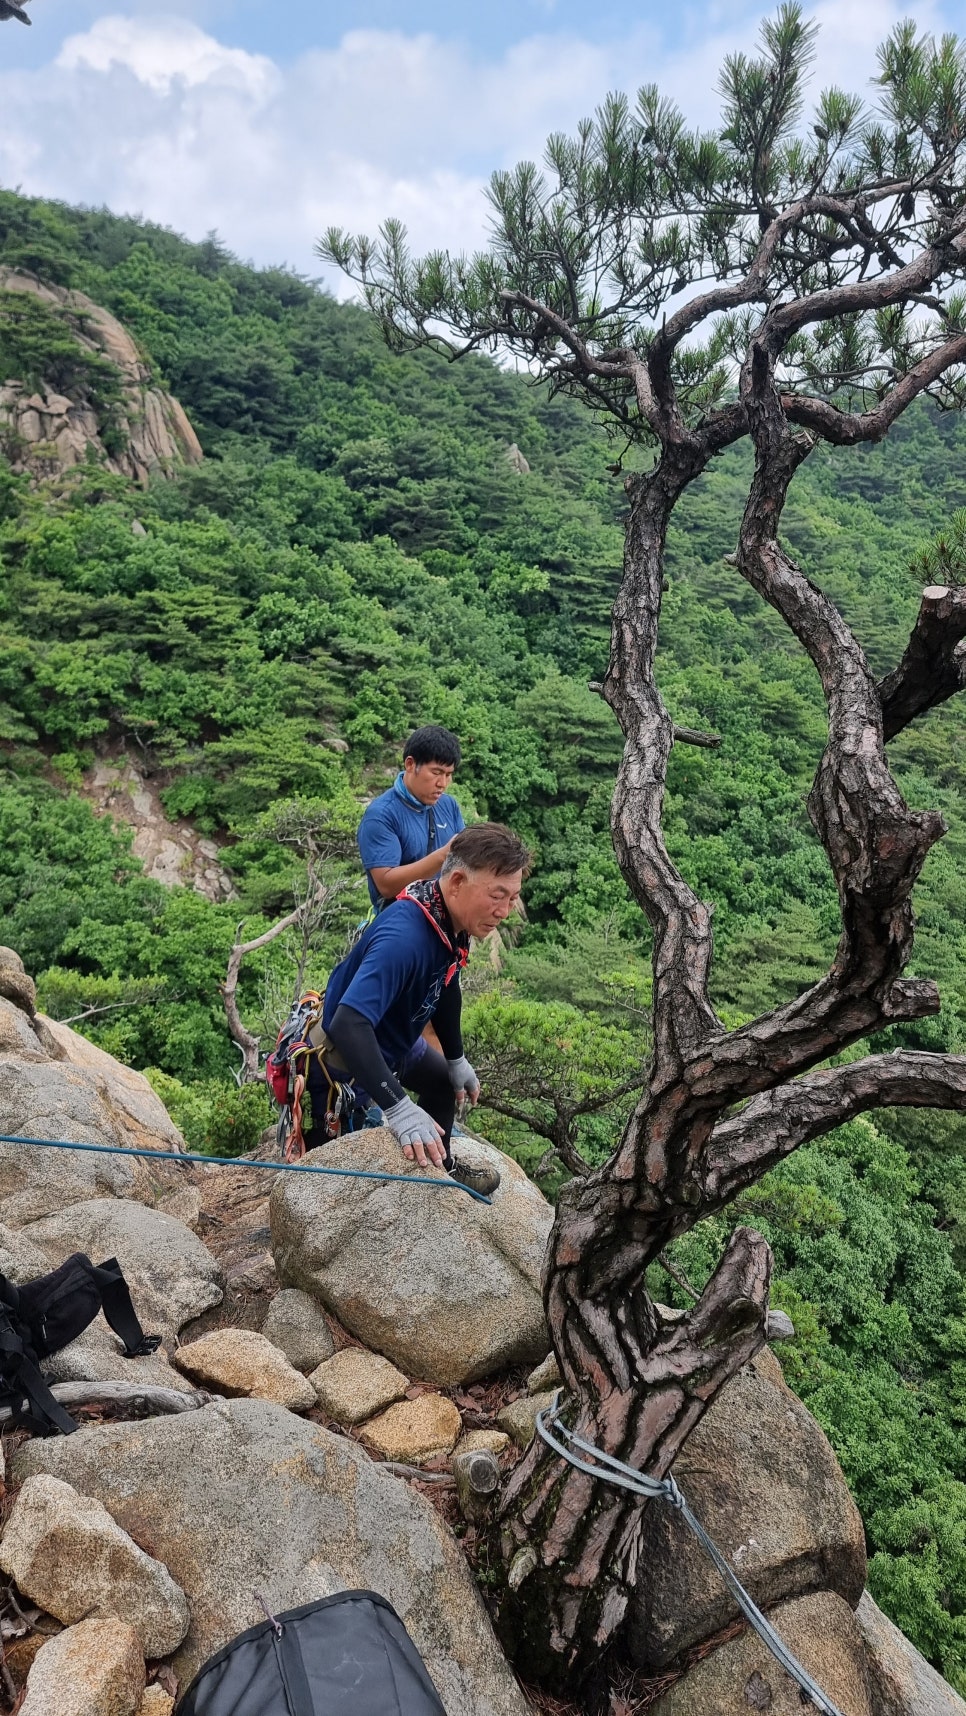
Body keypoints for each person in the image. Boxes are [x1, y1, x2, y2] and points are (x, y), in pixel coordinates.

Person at [309, 823, 531, 1198]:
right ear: (457, 881)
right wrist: (398, 1107)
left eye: (513, 898)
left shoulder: (448, 917)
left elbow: (446, 985)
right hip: (343, 1064)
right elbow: (349, 1022)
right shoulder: (406, 938)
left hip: (393, 1042)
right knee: (333, 1185)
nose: (505, 911)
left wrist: (456, 1058)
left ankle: (439, 1170)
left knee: (442, 1081)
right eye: (498, 896)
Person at [357, 725, 465, 912]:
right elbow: (386, 885)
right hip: (402, 924)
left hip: (446, 923)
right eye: (436, 772)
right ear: (410, 764)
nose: (443, 784)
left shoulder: (448, 805)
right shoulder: (381, 815)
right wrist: (444, 854)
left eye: (449, 775)